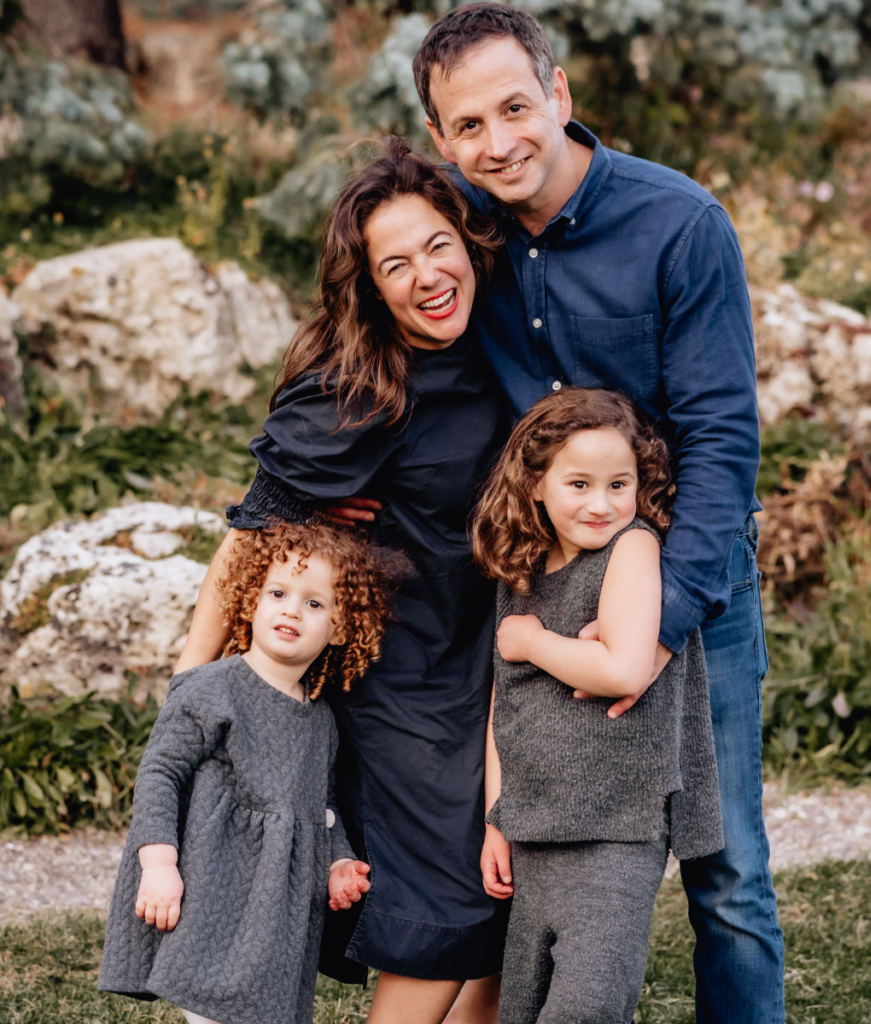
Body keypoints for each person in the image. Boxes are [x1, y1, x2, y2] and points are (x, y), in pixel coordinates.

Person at [412, 5, 785, 1023]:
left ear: (560, 95)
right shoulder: (461, 237)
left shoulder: (678, 223)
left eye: (515, 108)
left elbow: (720, 439)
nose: (499, 141)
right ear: (441, 139)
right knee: (529, 836)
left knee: (726, 866)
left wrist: (656, 628)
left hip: (686, 579)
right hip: (540, 583)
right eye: (469, 126)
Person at [172, 138, 510, 1024]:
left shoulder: (499, 344)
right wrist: (191, 685)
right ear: (368, 284)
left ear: (468, 242)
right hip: (401, 686)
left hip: (490, 660)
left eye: (439, 245)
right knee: (445, 910)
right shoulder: (355, 387)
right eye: (395, 264)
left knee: (497, 919)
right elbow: (249, 537)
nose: (427, 275)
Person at [471, 387, 723, 1024]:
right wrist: (496, 818)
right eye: (579, 483)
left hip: (614, 827)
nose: (601, 503)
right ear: (535, 485)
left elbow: (624, 667)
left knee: (588, 1006)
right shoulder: (522, 572)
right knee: (524, 1005)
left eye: (620, 483)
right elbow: (508, 708)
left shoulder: (632, 548)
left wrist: (533, 640)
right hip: (535, 828)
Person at [98, 522, 391, 1024]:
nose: (292, 610)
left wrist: (338, 861)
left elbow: (322, 806)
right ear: (252, 599)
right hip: (211, 892)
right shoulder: (211, 688)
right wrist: (159, 864)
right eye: (278, 592)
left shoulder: (321, 718)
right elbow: (160, 775)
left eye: (314, 603)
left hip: (277, 909)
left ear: (340, 627)